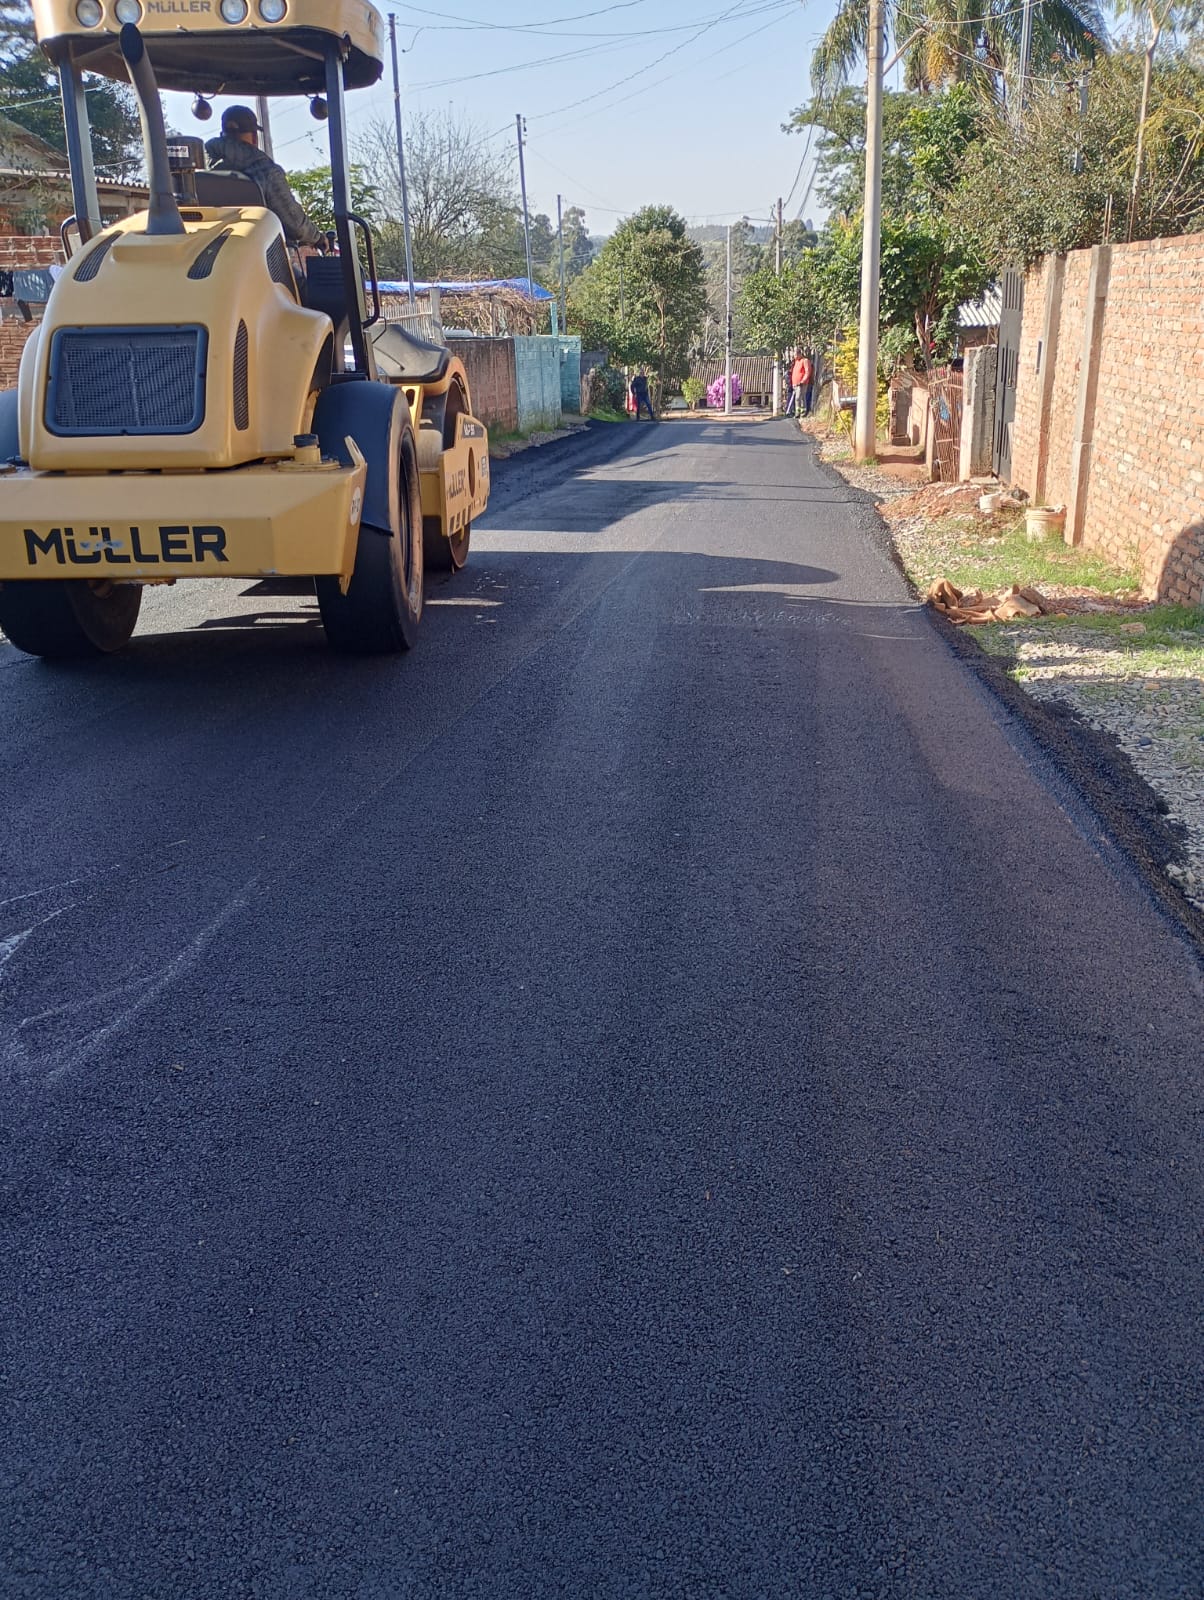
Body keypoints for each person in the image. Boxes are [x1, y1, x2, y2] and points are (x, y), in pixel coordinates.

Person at [205, 106, 323, 249]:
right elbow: (296, 225)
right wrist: (318, 238)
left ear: (222, 134)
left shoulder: (199, 170)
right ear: (254, 137)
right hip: (257, 258)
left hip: (203, 259)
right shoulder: (267, 172)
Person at [800, 349, 815, 417]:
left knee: (806, 397)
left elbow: (809, 373)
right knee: (805, 397)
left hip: (808, 383)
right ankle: (805, 410)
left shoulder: (807, 363)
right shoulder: (807, 363)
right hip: (807, 382)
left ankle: (807, 410)